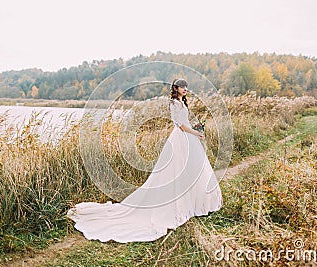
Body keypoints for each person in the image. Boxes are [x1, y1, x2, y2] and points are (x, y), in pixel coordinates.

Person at [67, 78, 223, 243]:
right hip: (181, 138)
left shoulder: (182, 102)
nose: (185, 89)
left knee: (194, 169)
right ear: (175, 88)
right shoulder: (173, 103)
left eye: (186, 87)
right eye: (182, 87)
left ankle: (196, 203)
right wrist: (195, 133)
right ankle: (177, 204)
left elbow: (186, 122)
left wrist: (196, 129)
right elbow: (181, 126)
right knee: (176, 170)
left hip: (189, 138)